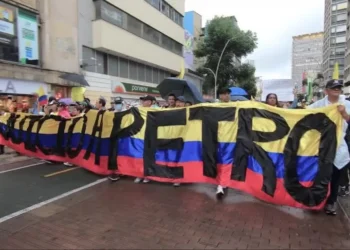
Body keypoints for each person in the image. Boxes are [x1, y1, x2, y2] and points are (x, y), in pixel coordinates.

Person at [308, 79, 350, 215]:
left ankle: (331, 202)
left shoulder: (346, 104)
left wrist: (344, 114)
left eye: (338, 88)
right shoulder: (318, 105)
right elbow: (305, 117)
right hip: (322, 145)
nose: (337, 90)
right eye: (333, 88)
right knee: (320, 174)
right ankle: (317, 200)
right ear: (326, 90)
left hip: (339, 145)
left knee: (335, 175)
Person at [134, 95, 156, 184]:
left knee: (148, 156)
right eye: (143, 100)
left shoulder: (155, 110)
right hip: (139, 137)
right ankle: (139, 174)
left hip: (150, 137)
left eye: (146, 100)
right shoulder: (138, 109)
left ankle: (148, 175)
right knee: (139, 155)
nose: (144, 102)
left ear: (150, 102)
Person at [108, 97, 126, 182]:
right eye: (116, 103)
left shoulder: (126, 113)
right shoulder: (111, 113)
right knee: (113, 154)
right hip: (113, 136)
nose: (117, 105)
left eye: (119, 103)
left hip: (122, 137)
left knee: (120, 153)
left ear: (122, 104)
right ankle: (115, 170)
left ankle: (120, 171)